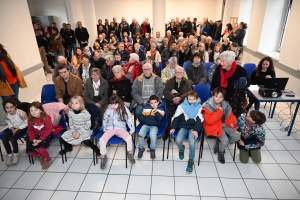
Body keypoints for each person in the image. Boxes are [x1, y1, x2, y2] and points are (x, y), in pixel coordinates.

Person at [202, 87, 240, 164]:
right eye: (216, 96)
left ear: (223, 98)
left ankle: (220, 144)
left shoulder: (226, 104)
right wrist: (219, 112)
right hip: (214, 125)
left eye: (221, 97)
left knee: (237, 136)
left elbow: (230, 115)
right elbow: (209, 121)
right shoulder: (208, 105)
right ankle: (221, 151)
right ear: (212, 96)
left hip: (225, 124)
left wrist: (232, 122)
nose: (218, 99)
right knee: (225, 140)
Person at [170, 91, 203, 173]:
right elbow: (176, 118)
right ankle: (181, 149)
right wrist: (173, 127)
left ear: (197, 99)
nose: (191, 101)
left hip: (193, 128)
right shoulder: (182, 106)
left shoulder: (199, 107)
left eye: (193, 99)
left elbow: (199, 120)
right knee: (178, 140)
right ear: (186, 99)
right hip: (184, 126)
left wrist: (196, 130)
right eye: (189, 99)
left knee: (192, 143)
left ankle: (191, 160)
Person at [99, 94, 135, 169]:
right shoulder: (108, 109)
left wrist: (131, 131)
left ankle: (130, 153)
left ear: (119, 103)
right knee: (102, 141)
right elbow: (104, 120)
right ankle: (103, 156)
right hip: (110, 129)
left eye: (115, 104)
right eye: (112, 104)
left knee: (129, 138)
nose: (113, 106)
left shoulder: (123, 108)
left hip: (120, 128)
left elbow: (129, 119)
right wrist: (105, 129)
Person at [163, 66, 192, 139]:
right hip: (171, 102)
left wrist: (180, 98)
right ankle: (167, 131)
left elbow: (189, 92)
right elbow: (165, 91)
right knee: (168, 114)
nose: (179, 74)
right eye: (177, 72)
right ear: (175, 73)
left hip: (182, 103)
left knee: (181, 114)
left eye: (181, 72)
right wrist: (173, 98)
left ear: (183, 74)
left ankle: (177, 131)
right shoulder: (169, 81)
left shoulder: (187, 82)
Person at [26, 102, 53, 170]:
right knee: (29, 150)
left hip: (45, 135)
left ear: (41, 110)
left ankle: (48, 159)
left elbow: (48, 130)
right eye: (31, 110)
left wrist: (40, 139)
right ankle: (39, 156)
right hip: (35, 136)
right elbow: (30, 130)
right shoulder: (30, 119)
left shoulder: (46, 118)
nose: (33, 112)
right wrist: (33, 139)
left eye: (36, 110)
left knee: (41, 149)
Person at [138, 95, 164, 159]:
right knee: (140, 134)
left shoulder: (161, 109)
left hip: (154, 126)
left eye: (155, 102)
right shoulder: (146, 108)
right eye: (151, 103)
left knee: (153, 136)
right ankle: (141, 148)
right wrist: (145, 120)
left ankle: (152, 149)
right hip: (146, 125)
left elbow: (160, 118)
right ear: (149, 103)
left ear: (158, 102)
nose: (153, 104)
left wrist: (155, 111)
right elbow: (141, 116)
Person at [2, 98, 28, 166]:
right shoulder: (7, 114)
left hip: (23, 127)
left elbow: (27, 123)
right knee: (5, 139)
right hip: (14, 127)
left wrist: (19, 128)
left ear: (15, 106)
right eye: (7, 107)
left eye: (11, 107)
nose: (9, 109)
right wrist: (11, 127)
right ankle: (9, 154)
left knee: (13, 139)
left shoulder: (21, 113)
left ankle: (16, 153)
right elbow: (9, 121)